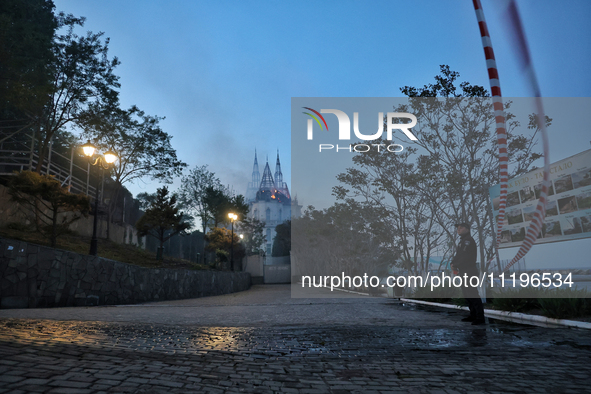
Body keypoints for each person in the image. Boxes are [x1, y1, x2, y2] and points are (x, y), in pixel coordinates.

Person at [450, 222, 485, 325]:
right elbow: (458, 255)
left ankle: (480, 317)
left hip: (470, 271)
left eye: (461, 228)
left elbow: (465, 257)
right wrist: (453, 263)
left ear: (467, 229)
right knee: (467, 294)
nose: (458, 229)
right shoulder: (462, 241)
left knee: (472, 293)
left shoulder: (468, 241)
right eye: (458, 228)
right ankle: (473, 315)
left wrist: (455, 264)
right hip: (464, 271)